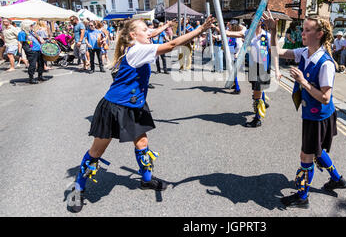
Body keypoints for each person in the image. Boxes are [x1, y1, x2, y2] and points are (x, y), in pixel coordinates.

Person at [67, 16, 215, 213]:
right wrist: (200, 30)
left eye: (149, 30)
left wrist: (163, 27)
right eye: (145, 30)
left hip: (134, 106)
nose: (149, 32)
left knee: (142, 144)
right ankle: (77, 189)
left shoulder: (139, 44)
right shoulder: (137, 50)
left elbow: (153, 34)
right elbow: (171, 45)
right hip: (114, 106)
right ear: (132, 35)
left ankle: (146, 180)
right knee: (97, 151)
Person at [263, 11, 346, 209]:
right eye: (303, 29)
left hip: (319, 116)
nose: (303, 33)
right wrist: (274, 30)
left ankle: (302, 197)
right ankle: (337, 179)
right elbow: (276, 52)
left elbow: (325, 98)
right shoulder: (304, 52)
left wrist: (303, 82)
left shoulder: (325, 63)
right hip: (312, 113)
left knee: (306, 156)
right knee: (316, 152)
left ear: (319, 34)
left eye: (307, 30)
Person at [220, 18, 271, 128]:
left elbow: (274, 51)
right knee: (256, 90)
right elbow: (232, 33)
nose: (254, 22)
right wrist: (218, 27)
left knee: (256, 92)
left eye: (257, 20)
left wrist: (275, 67)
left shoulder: (267, 35)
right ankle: (262, 104)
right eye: (253, 20)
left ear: (261, 22)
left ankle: (257, 119)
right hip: (253, 67)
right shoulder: (248, 33)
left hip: (263, 67)